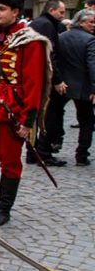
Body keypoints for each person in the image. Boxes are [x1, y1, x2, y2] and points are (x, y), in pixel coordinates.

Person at [0, 0, 50, 227]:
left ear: (15, 12)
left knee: (10, 162)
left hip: (11, 111)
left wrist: (27, 120)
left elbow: (33, 83)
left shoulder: (31, 41)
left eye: (1, 9)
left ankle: (3, 208)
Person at [30, 0, 68, 166]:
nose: (63, 15)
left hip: (37, 76)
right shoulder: (46, 25)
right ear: (52, 10)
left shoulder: (39, 22)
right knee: (48, 116)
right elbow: (49, 54)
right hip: (44, 78)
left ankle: (34, 153)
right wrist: (57, 79)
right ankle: (43, 153)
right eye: (61, 11)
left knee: (39, 117)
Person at [57, 10, 95, 166]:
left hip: (62, 85)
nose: (93, 25)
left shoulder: (61, 37)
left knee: (55, 114)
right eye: (91, 22)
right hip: (82, 86)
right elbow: (92, 65)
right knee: (87, 121)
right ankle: (81, 155)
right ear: (80, 22)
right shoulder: (90, 40)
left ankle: (46, 147)